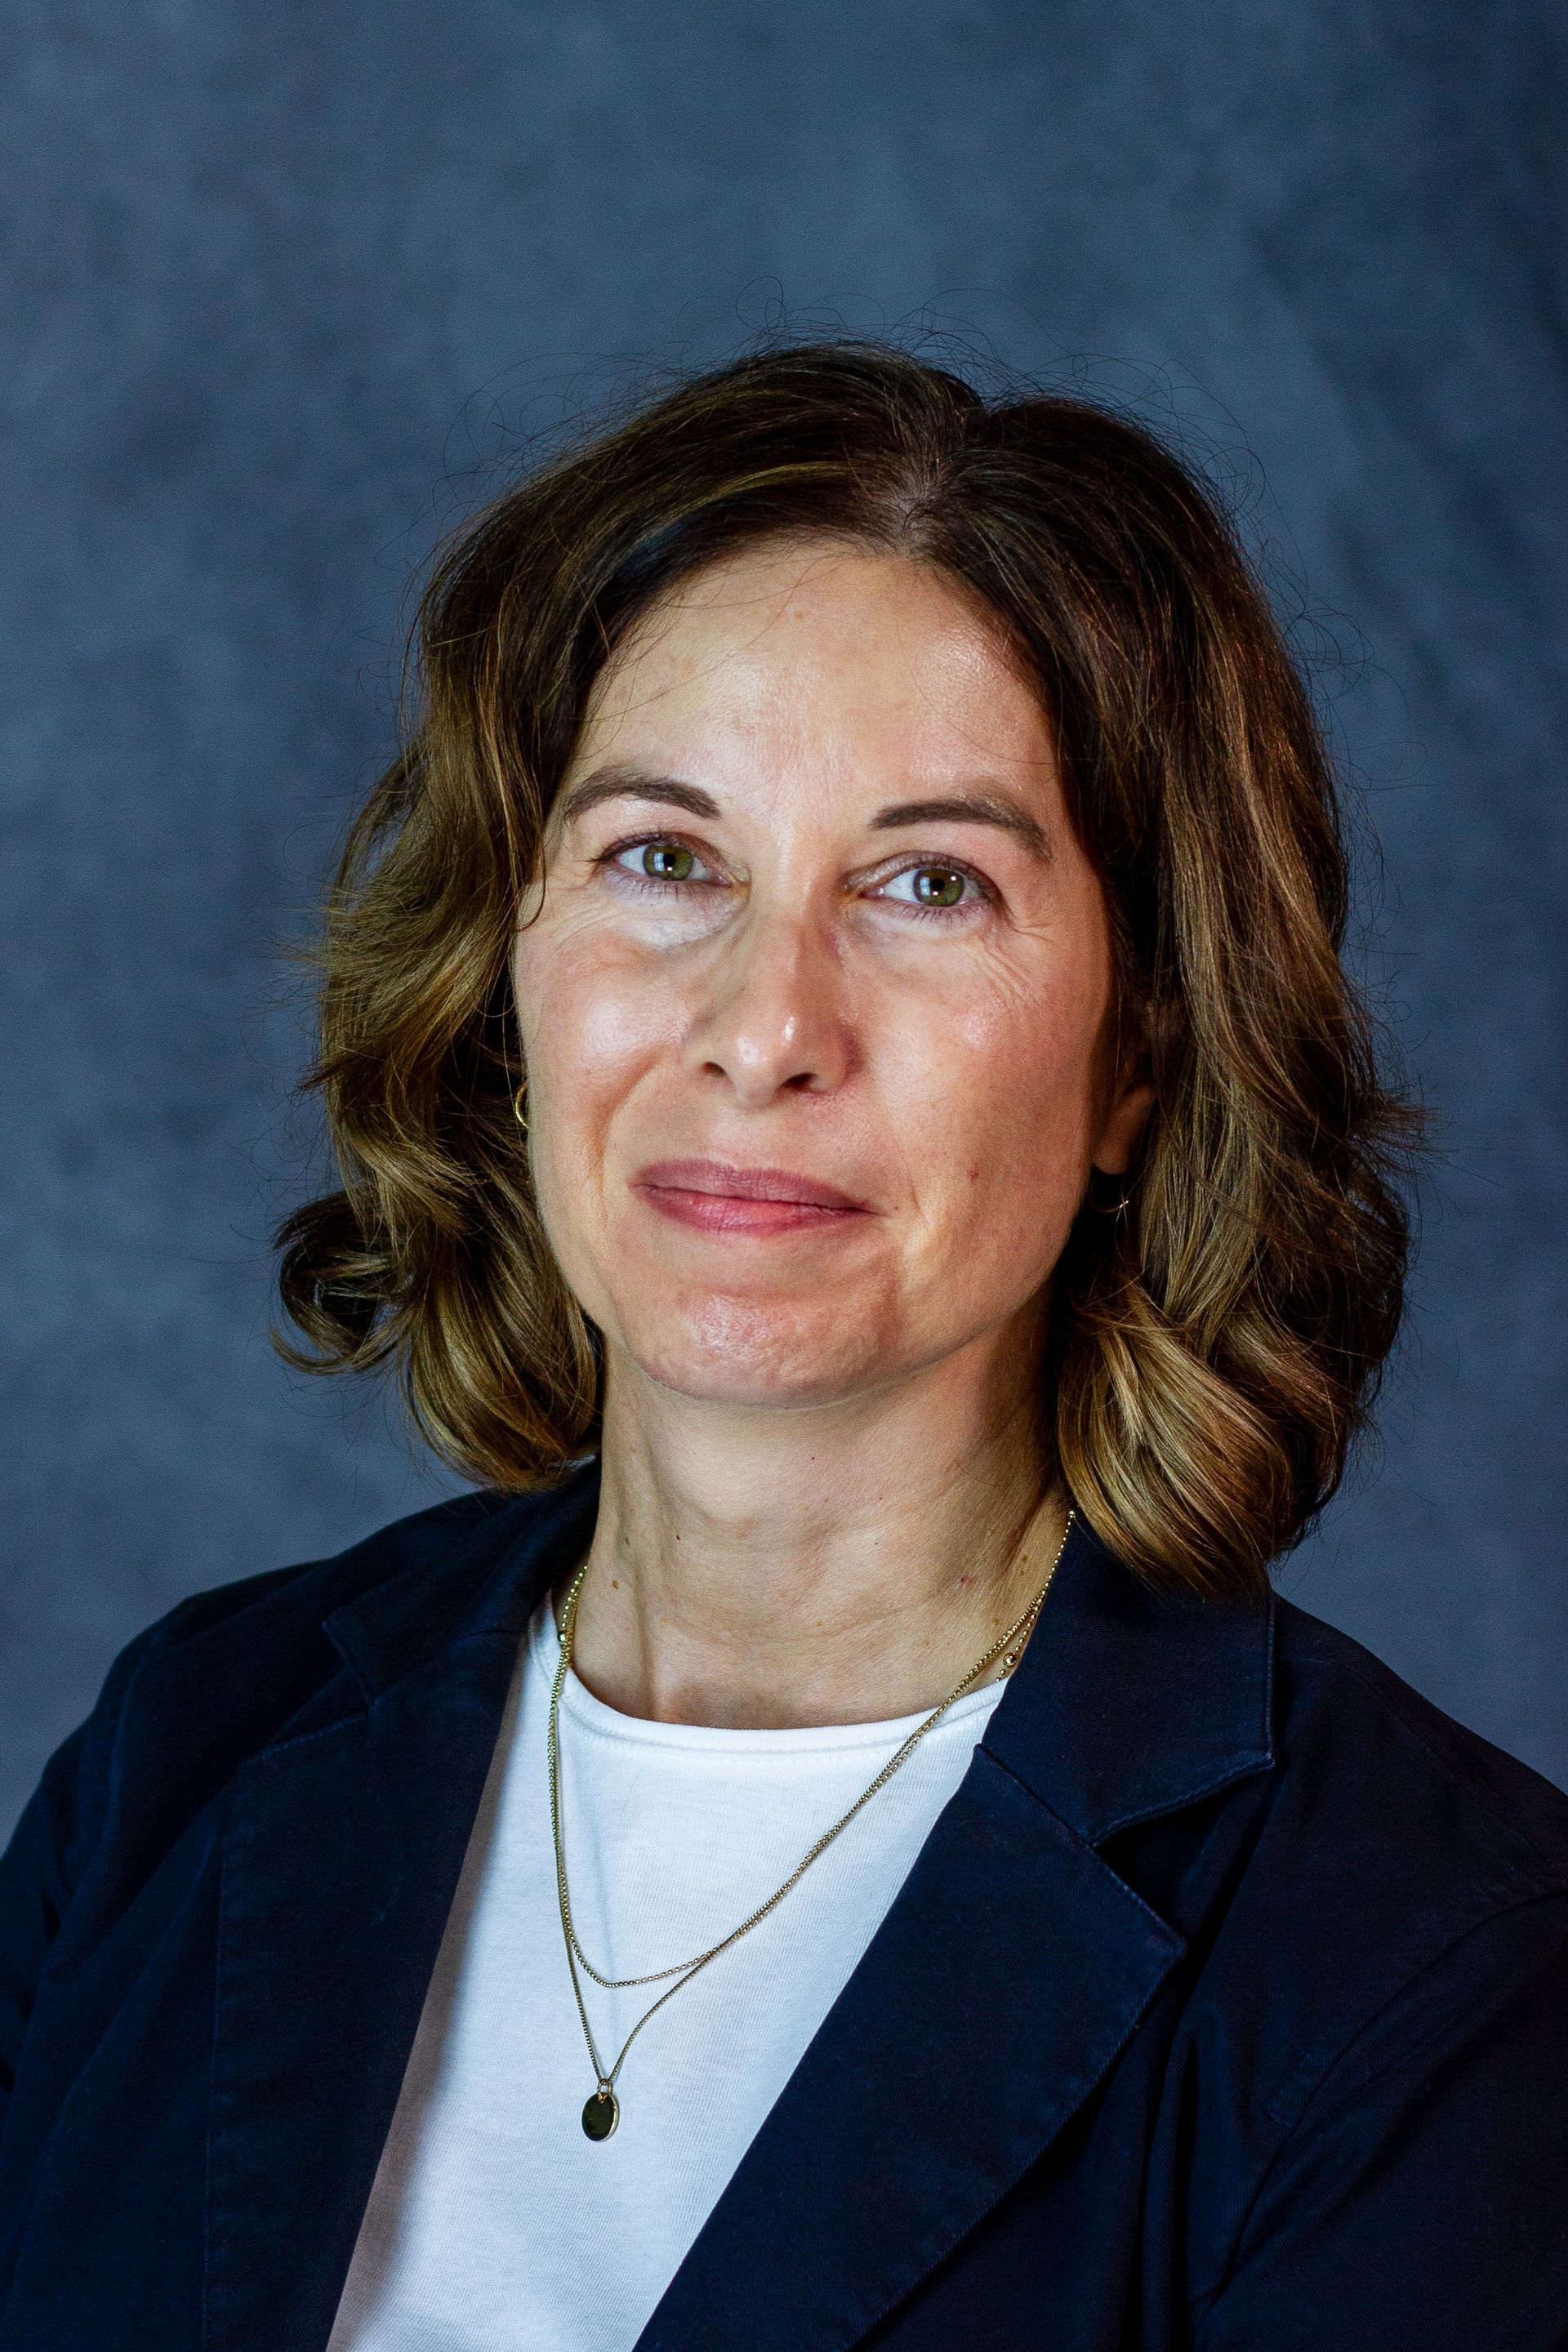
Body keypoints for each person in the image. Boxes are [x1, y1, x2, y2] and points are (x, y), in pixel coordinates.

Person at [1, 343, 1564, 2352]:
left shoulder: (1427, 1977)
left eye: (929, 885)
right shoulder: (186, 1759)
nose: (764, 1024)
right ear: (511, 965)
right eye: (667, 857)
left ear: (1141, 1057)